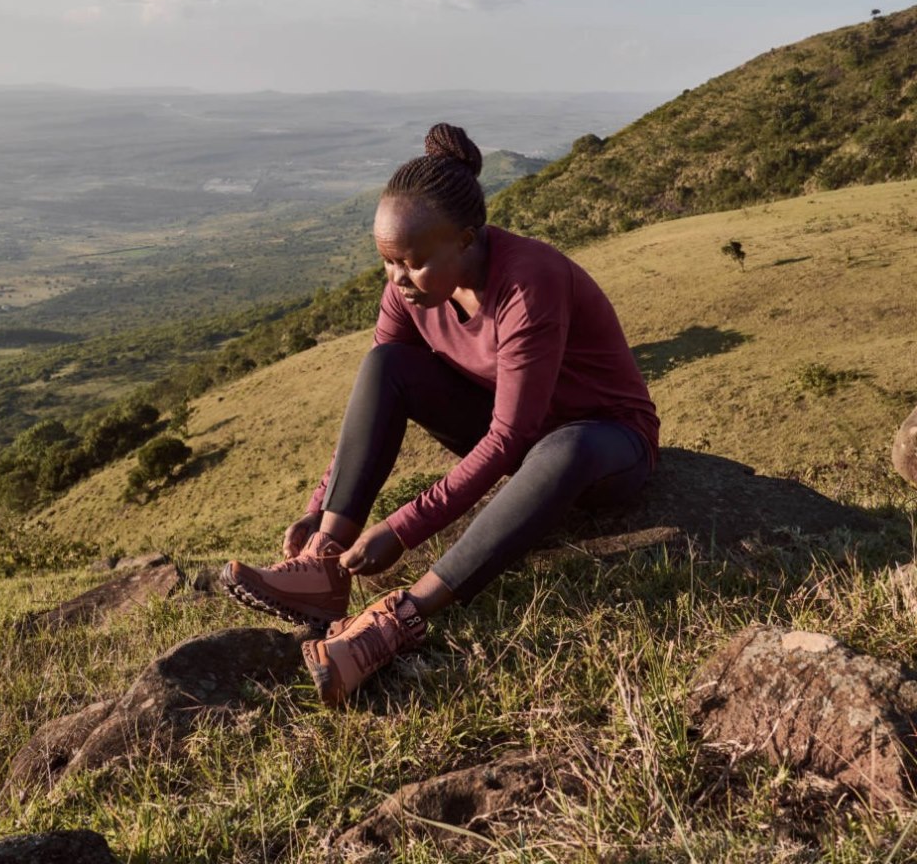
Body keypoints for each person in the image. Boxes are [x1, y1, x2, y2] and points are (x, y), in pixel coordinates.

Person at [221, 123, 659, 706]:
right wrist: (319, 509)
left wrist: (402, 530)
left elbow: (510, 438)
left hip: (605, 446)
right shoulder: (408, 288)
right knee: (386, 364)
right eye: (388, 263)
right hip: (521, 439)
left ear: (468, 240)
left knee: (563, 447)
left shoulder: (530, 283)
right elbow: (374, 398)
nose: (399, 279)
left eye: (415, 262)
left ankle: (400, 617)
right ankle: (324, 567)